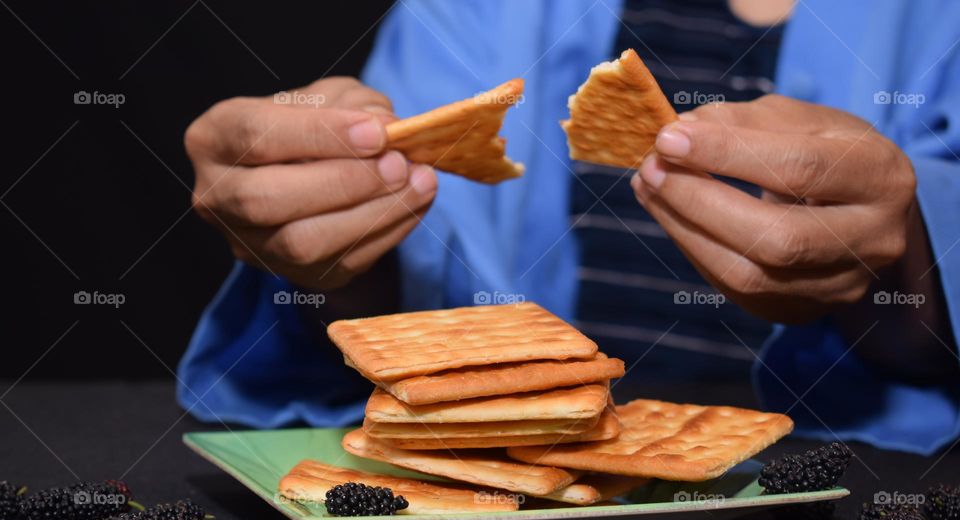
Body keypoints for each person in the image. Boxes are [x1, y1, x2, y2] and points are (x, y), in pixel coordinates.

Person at [178, 0, 960, 455]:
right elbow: (403, 316)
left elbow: (921, 323)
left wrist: (908, 253)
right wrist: (320, 222)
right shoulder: (466, 13)